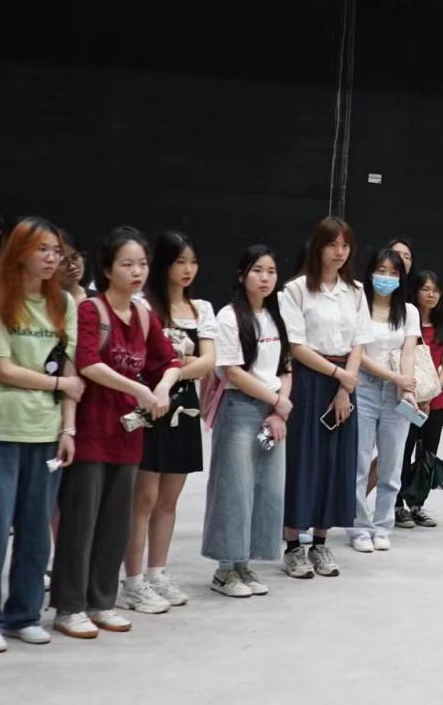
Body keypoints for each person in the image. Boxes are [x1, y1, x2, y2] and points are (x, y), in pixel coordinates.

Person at [52, 227, 181, 638]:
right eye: (127, 264)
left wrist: (162, 387)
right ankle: (69, 606)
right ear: (107, 269)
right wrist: (138, 389)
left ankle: (102, 602)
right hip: (92, 432)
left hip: (128, 435)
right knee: (80, 522)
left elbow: (169, 361)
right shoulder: (92, 310)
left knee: (114, 524)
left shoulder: (143, 314)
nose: (137, 271)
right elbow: (88, 363)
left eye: (142, 264)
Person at [0, 217, 82, 653]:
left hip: (46, 431)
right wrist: (59, 384)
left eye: (57, 251)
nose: (52, 259)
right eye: (42, 249)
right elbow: (2, 368)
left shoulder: (63, 302)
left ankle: (24, 615)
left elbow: (71, 369)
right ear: (19, 251)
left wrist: (67, 426)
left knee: (35, 530)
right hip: (0, 428)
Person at [121, 232, 217, 611]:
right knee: (143, 498)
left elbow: (209, 362)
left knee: (169, 499)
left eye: (193, 262)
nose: (188, 269)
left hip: (184, 407)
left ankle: (157, 572)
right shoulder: (143, 306)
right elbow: (141, 360)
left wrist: (174, 370)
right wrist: (176, 368)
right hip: (150, 406)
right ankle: (132, 579)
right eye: (180, 262)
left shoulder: (202, 309)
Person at [201, 245, 293, 598]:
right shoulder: (228, 317)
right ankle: (225, 569)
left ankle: (244, 565)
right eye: (257, 270)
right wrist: (277, 401)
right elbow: (233, 373)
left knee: (267, 488)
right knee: (234, 488)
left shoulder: (276, 316)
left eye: (271, 271)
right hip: (239, 408)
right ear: (242, 276)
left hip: (273, 410)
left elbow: (286, 367)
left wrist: (278, 410)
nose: (265, 278)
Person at [277, 217, 366, 578]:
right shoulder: (296, 290)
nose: (339, 252)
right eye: (332, 244)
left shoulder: (356, 291)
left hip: (344, 383)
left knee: (334, 462)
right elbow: (296, 346)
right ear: (318, 247)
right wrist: (338, 375)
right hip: (308, 381)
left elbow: (358, 343)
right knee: (303, 461)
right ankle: (292, 547)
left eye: (345, 245)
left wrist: (346, 386)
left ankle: (320, 543)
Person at [348, 248, 418, 554]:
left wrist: (407, 387)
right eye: (381, 271)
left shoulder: (409, 312)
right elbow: (358, 354)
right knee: (359, 462)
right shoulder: (359, 306)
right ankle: (358, 527)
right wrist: (395, 378)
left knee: (391, 464)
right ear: (370, 273)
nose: (386, 278)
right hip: (363, 386)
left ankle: (382, 526)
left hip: (396, 393)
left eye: (393, 273)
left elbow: (408, 352)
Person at [395, 270, 443, 529]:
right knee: (403, 450)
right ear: (415, 291)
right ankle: (397, 505)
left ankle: (417, 504)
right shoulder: (405, 324)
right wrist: (416, 394)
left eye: (435, 290)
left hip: (436, 403)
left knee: (427, 454)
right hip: (408, 400)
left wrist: (432, 392)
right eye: (425, 289)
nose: (431, 294)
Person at [56, 229, 90, 304]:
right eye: (63, 261)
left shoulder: (97, 299)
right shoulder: (42, 302)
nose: (72, 266)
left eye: (75, 257)